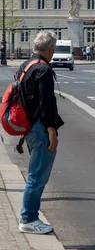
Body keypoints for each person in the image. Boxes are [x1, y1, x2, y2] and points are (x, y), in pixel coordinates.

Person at [15, 31, 64, 234]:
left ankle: (30, 217)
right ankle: (28, 219)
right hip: (40, 128)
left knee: (36, 174)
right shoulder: (43, 70)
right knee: (38, 176)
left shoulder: (25, 66)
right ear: (51, 49)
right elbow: (47, 104)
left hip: (29, 126)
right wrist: (51, 130)